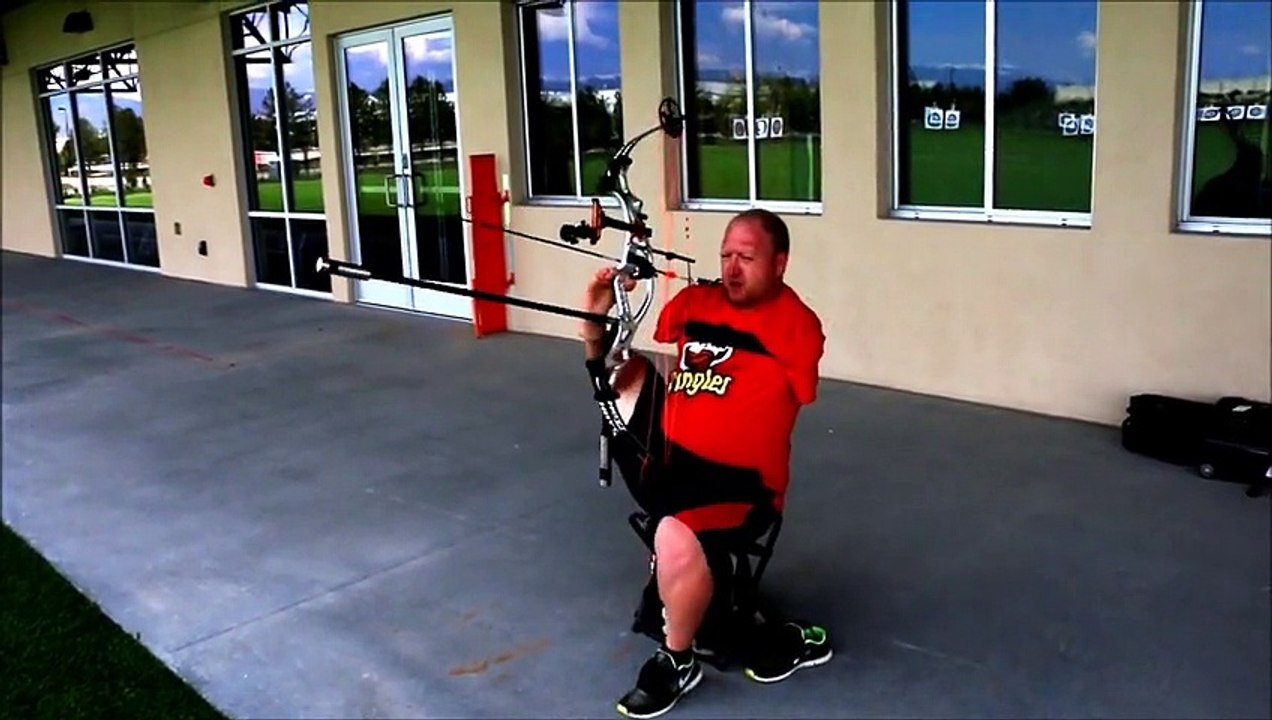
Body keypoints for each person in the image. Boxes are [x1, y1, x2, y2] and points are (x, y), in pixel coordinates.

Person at [579, 208, 831, 718]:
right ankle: (684, 574)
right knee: (623, 376)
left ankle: (677, 661)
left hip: (742, 487)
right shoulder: (696, 302)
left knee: (674, 532)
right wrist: (601, 313)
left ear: (780, 263)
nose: (732, 269)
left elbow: (802, 391)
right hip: (674, 467)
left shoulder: (796, 324)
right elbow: (620, 355)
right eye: (726, 256)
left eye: (747, 258)